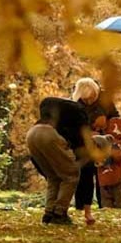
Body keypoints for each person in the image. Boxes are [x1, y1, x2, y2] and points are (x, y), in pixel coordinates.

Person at [27, 91, 98, 226]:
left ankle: (48, 213)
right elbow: (80, 138)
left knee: (53, 176)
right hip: (49, 135)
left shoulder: (54, 105)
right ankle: (60, 213)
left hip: (32, 133)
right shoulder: (80, 113)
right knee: (71, 175)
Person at [70, 78, 106, 224]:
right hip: (78, 145)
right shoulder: (75, 108)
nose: (92, 100)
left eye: (93, 97)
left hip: (90, 146)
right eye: (90, 97)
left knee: (88, 177)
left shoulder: (98, 104)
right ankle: (79, 207)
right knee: (78, 177)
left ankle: (87, 210)